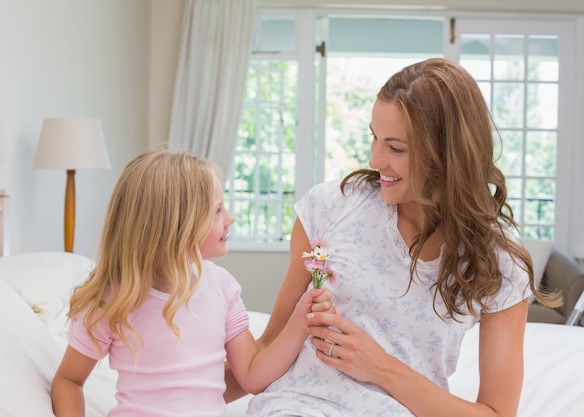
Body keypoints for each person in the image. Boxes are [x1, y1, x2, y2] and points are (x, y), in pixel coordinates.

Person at [228, 58, 561, 417]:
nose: (375, 159)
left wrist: (382, 368)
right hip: (297, 407)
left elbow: (496, 412)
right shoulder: (332, 206)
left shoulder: (499, 266)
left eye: (396, 148)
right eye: (374, 137)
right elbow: (270, 345)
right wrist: (172, 393)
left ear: (447, 155)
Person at [50, 149, 333, 417]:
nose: (230, 218)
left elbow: (251, 376)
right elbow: (69, 380)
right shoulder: (113, 298)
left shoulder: (223, 288)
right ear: (175, 225)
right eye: (217, 210)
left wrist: (299, 323)